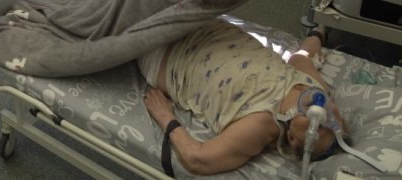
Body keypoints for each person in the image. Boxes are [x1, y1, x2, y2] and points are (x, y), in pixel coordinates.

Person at [139, 22, 344, 175]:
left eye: (318, 127)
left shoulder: (262, 123)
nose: (325, 113)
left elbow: (197, 158)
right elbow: (301, 57)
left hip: (166, 54)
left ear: (291, 137)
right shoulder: (316, 87)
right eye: (336, 122)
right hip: (201, 23)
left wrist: (165, 115)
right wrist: (320, 31)